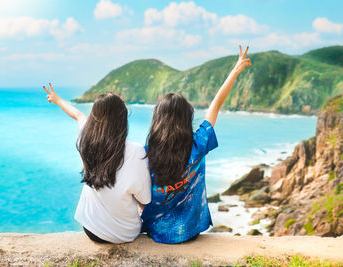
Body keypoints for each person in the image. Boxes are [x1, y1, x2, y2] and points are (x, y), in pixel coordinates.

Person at [141, 46, 252, 244]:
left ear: (157, 121)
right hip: (190, 232)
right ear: (187, 118)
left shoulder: (147, 154)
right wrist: (234, 72)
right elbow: (215, 106)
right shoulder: (198, 144)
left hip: (156, 232)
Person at [43, 84, 151, 244]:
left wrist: (57, 100)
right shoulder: (136, 152)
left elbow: (77, 115)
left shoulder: (85, 139)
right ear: (122, 119)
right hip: (124, 234)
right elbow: (145, 199)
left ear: (94, 116)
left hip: (91, 229)